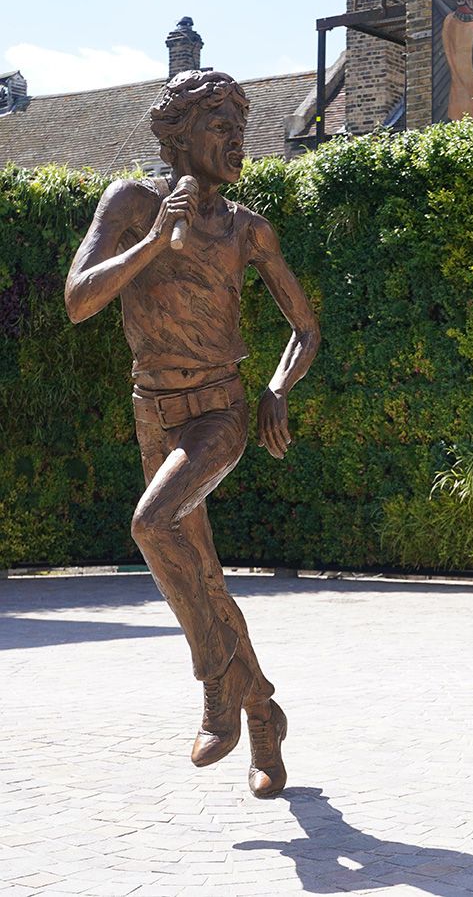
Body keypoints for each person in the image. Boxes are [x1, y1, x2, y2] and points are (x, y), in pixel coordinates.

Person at [65, 69, 320, 798]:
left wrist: (275, 388)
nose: (238, 141)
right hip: (154, 411)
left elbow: (304, 328)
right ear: (179, 137)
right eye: (221, 127)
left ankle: (215, 684)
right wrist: (153, 241)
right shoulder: (131, 203)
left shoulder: (247, 229)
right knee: (200, 571)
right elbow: (80, 301)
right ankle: (263, 710)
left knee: (151, 525)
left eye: (241, 128)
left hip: (219, 410)